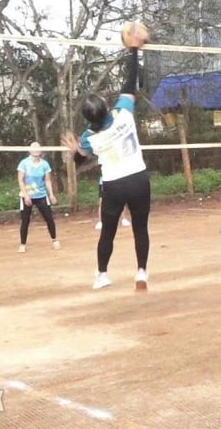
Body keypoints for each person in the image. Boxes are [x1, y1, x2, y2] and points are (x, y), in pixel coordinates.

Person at [61, 29, 152, 290]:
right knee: (140, 228)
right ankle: (141, 272)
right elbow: (130, 82)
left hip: (113, 185)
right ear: (105, 106)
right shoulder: (123, 113)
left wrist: (75, 151)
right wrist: (134, 50)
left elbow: (81, 161)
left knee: (108, 231)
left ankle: (102, 274)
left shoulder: (90, 137)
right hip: (138, 179)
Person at [16, 142, 59, 253]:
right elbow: (20, 180)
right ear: (29, 150)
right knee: (25, 221)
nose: (36, 149)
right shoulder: (24, 163)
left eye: (38, 147)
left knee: (49, 218)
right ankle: (23, 244)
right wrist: (26, 196)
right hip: (27, 196)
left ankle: (54, 240)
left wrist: (51, 194)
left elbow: (47, 180)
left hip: (41, 195)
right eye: (33, 147)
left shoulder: (45, 164)